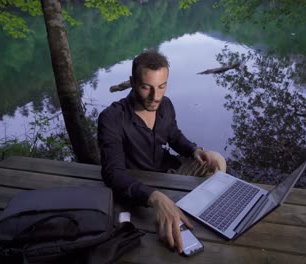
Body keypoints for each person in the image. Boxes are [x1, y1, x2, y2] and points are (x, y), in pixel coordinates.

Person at [97, 49, 226, 253]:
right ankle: (181, 216)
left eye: (161, 86)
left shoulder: (165, 105)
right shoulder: (111, 118)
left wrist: (195, 150)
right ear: (132, 82)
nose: (155, 97)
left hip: (169, 173)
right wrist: (154, 197)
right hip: (143, 189)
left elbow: (174, 136)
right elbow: (112, 174)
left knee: (216, 160)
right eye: (146, 87)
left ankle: (209, 214)